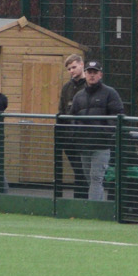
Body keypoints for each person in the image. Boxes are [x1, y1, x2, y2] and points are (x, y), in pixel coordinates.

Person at [70, 58, 125, 203]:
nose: (92, 75)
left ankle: (94, 210)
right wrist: (76, 135)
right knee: (90, 179)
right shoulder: (79, 96)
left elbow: (118, 114)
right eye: (89, 72)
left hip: (101, 145)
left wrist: (105, 132)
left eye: (95, 72)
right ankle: (99, 207)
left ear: (100, 75)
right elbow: (72, 117)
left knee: (96, 178)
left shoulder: (110, 93)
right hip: (84, 145)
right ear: (85, 74)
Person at [56, 55, 88, 194]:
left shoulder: (89, 85)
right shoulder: (66, 87)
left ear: (82, 65)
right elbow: (62, 110)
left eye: (74, 67)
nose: (71, 71)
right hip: (70, 137)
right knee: (78, 170)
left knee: (84, 172)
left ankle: (84, 202)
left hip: (85, 135)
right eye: (69, 69)